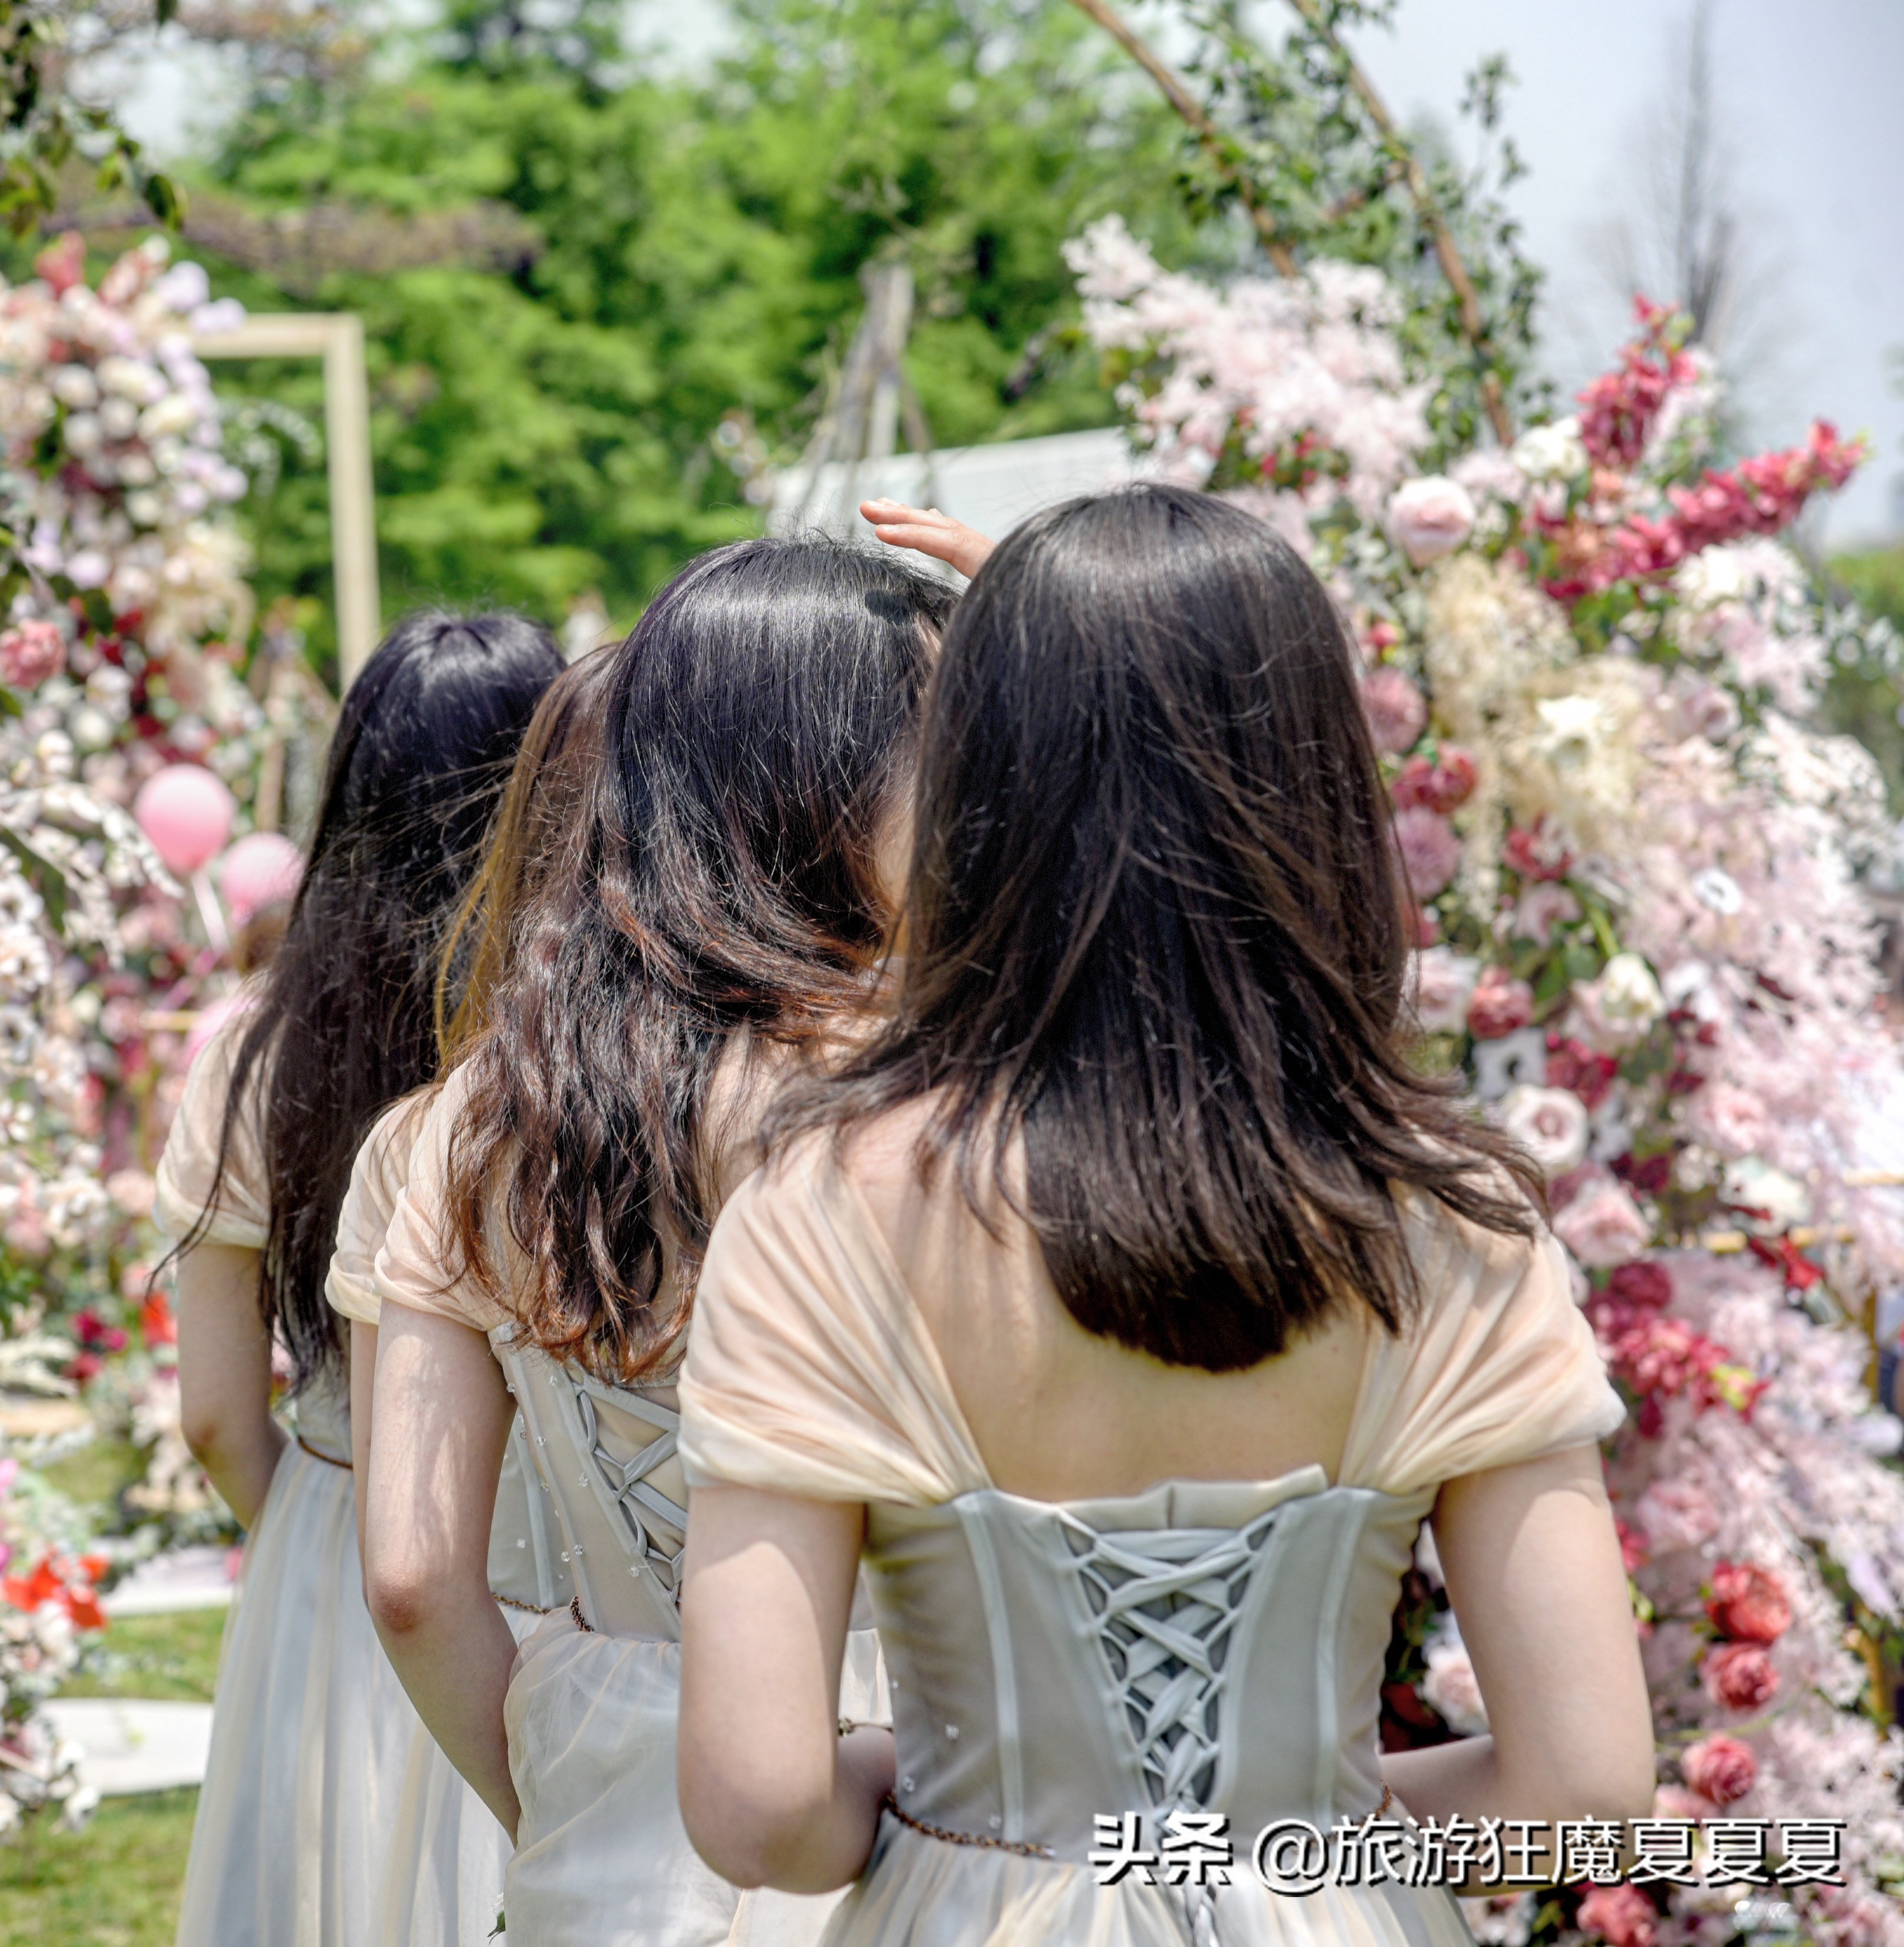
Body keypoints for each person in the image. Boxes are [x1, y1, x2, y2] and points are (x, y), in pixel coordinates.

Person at [673, 485, 1650, 1946]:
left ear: (974, 790)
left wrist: (901, 1792)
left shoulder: (821, 1211)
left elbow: (759, 1808)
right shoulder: (1450, 1216)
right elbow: (1584, 1795)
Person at [364, 536, 953, 1947]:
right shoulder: (931, 1106)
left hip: (613, 1813)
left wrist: (573, 1793)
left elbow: (412, 1578)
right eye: (952, 749)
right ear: (823, 778)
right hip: (925, 1776)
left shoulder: (476, 1120)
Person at [155, 611, 562, 1947]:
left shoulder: (252, 1057)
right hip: (557, 1556)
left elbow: (215, 1415)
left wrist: (322, 1517)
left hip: (336, 1553)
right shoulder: (578, 1051)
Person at [326, 645, 618, 1946]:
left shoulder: (445, 1138)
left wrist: (552, 1798)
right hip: (884, 1744)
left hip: (549, 1708)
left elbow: (409, 1569)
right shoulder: (880, 1129)